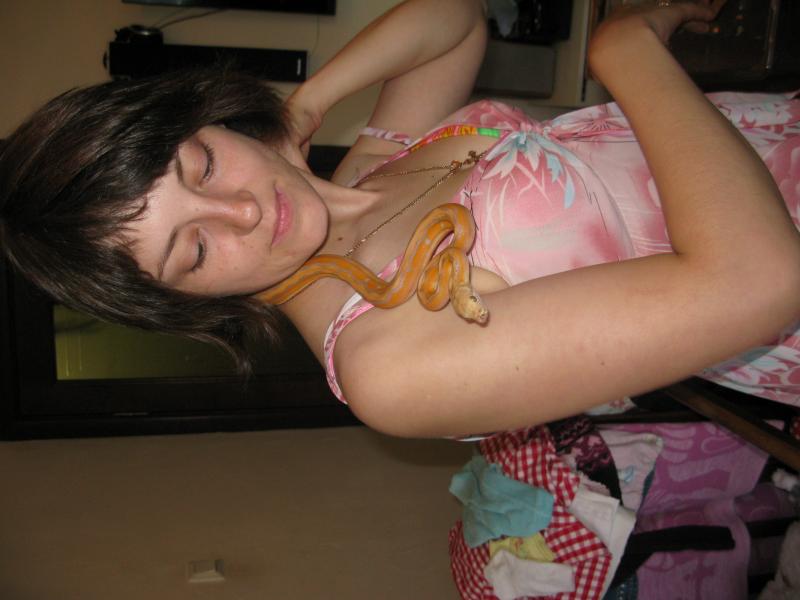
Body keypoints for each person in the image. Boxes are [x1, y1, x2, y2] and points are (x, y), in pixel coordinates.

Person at [1, 0, 799, 440]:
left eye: (202, 165)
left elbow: (453, 22)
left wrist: (306, 103)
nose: (243, 209)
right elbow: (757, 283)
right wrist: (626, 52)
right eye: (196, 248)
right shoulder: (389, 367)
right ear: (183, 302)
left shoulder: (365, 172)